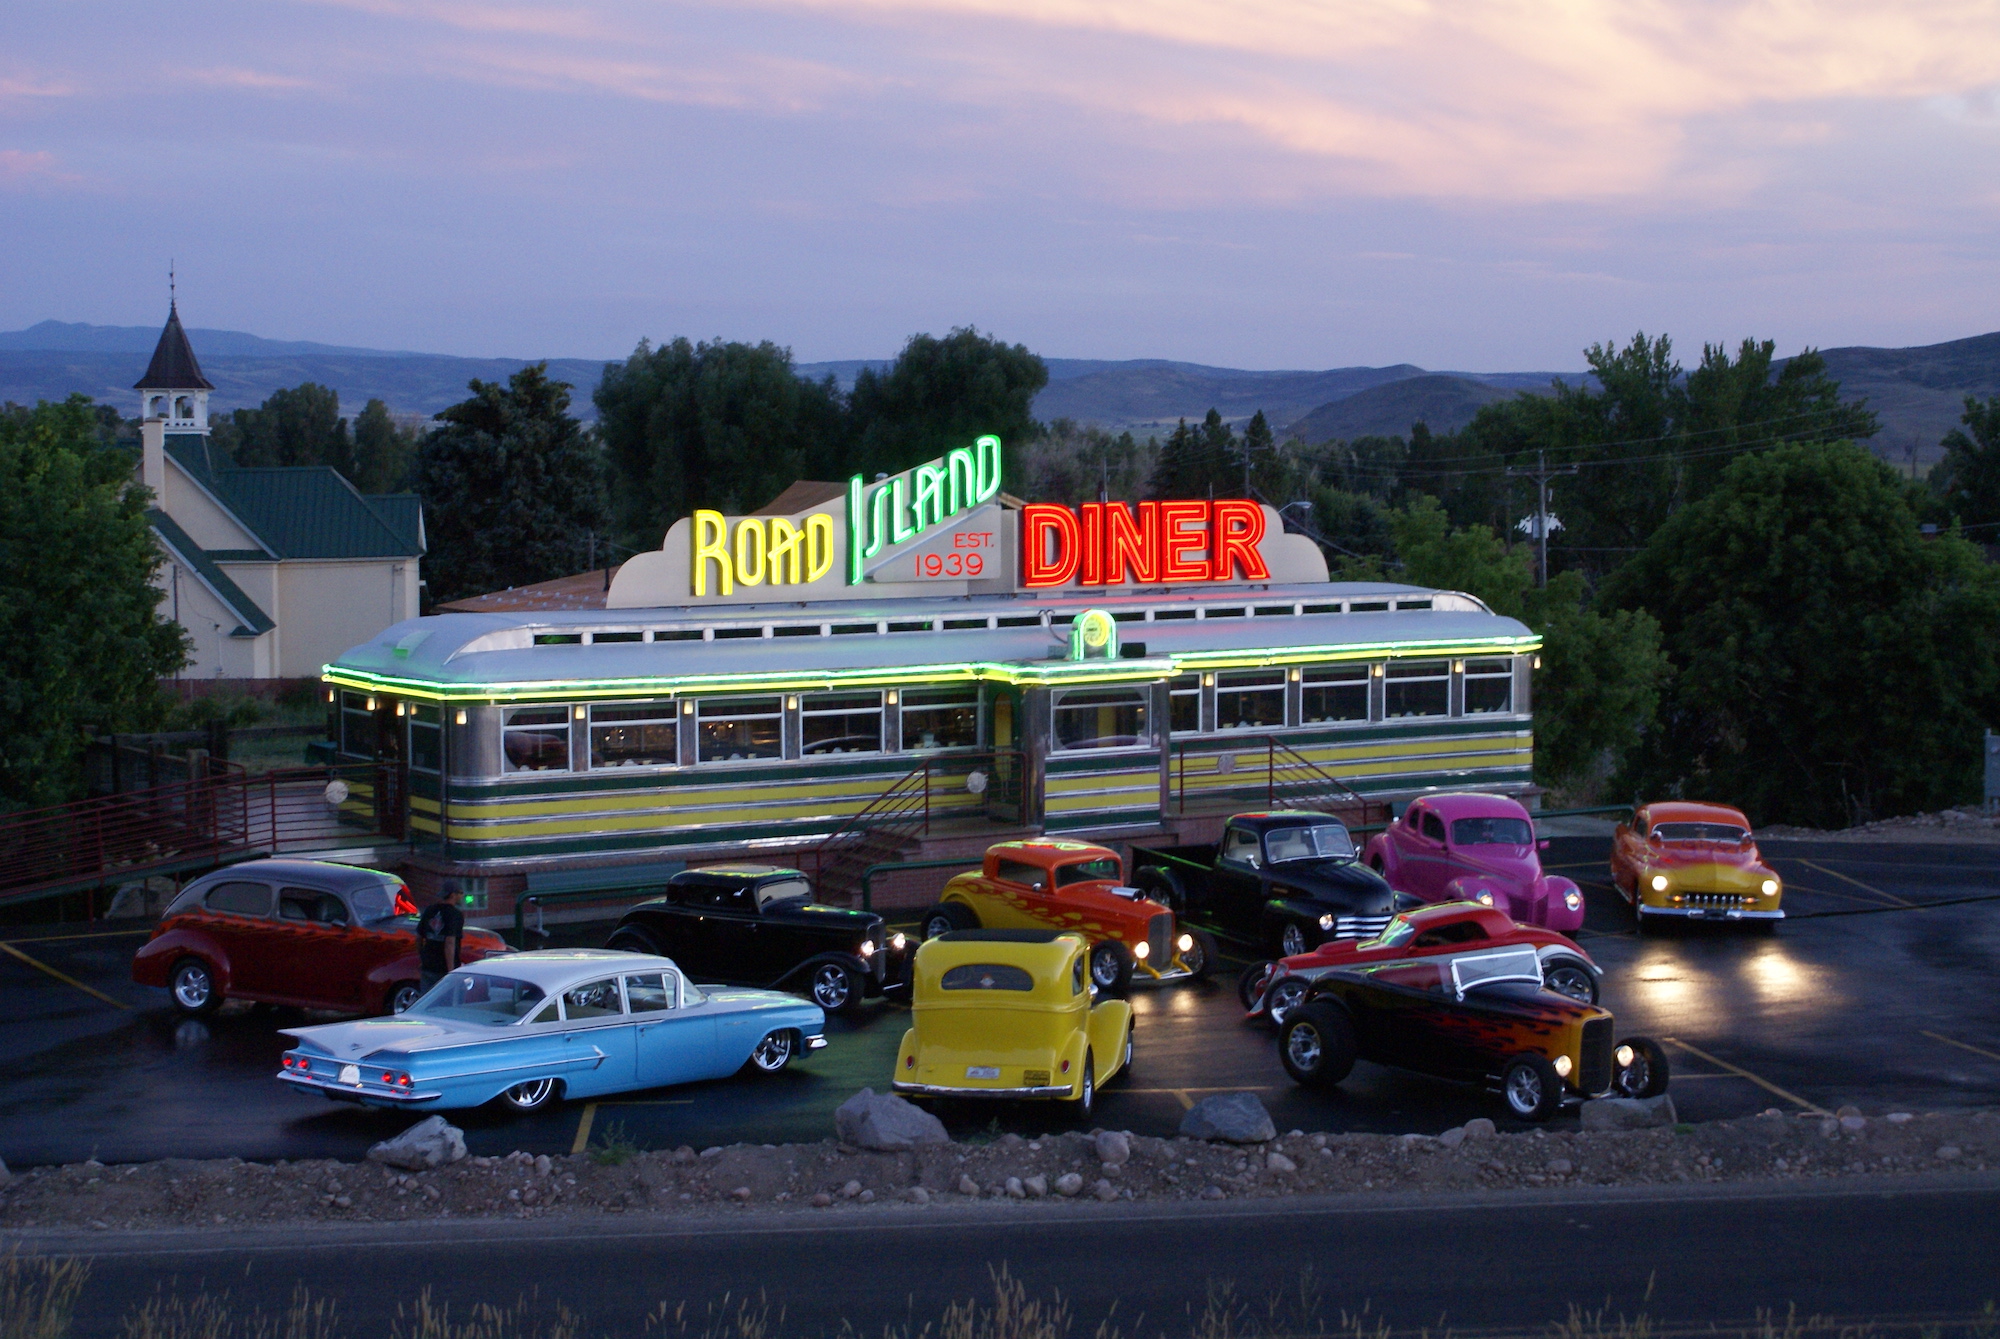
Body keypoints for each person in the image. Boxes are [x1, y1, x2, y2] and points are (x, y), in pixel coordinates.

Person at [416, 888, 465, 994]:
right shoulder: (455, 914)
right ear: (453, 895)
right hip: (443, 969)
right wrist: (451, 971)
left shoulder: (429, 910)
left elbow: (419, 937)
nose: (462, 896)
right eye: (460, 893)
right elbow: (449, 943)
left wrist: (422, 958)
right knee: (448, 999)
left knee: (427, 998)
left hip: (428, 966)